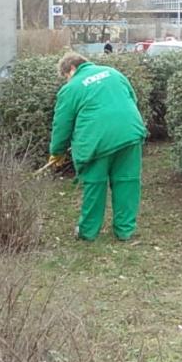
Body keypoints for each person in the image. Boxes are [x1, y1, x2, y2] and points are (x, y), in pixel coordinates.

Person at [48, 51, 147, 241]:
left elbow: (62, 124)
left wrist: (57, 151)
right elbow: (132, 100)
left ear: (71, 69)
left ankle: (88, 232)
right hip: (130, 133)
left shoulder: (72, 88)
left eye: (66, 77)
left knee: (95, 184)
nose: (66, 81)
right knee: (127, 181)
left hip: (97, 142)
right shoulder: (114, 73)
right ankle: (125, 231)